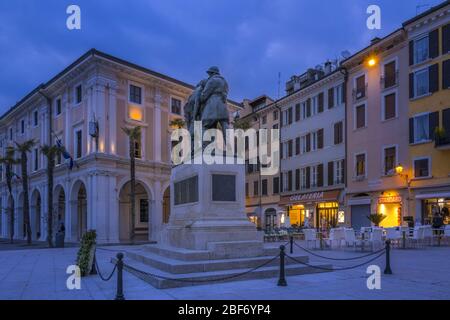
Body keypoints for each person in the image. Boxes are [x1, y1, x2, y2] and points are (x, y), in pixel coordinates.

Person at [200, 66, 230, 142]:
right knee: (225, 125)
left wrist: (200, 99)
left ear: (213, 73)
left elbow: (204, 95)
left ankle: (206, 147)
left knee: (205, 125)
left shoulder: (212, 81)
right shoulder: (225, 82)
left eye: (209, 73)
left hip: (212, 105)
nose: (209, 75)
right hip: (223, 105)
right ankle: (230, 147)